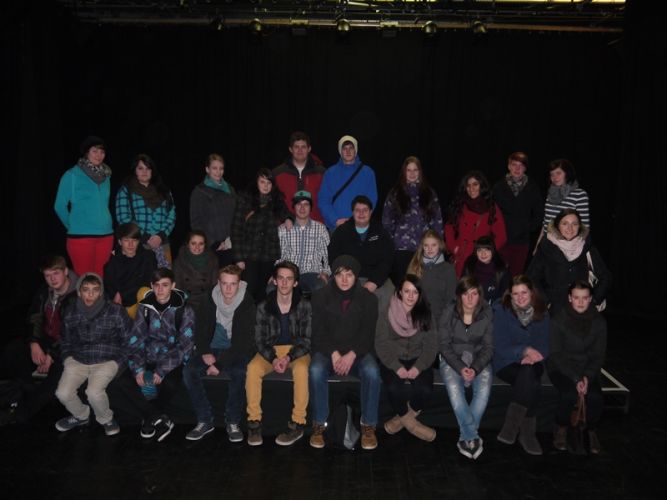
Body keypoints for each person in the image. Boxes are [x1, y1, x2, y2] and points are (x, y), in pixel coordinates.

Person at [308, 255, 380, 450]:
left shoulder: (369, 299)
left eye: (349, 275)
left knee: (372, 372)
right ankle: (318, 424)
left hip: (358, 352)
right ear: (333, 276)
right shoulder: (320, 296)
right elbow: (318, 332)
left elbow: (368, 334)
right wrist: (334, 353)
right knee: (315, 370)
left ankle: (368, 426)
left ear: (356, 276)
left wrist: (352, 354)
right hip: (328, 351)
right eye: (340, 275)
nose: (345, 279)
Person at [114, 268, 195, 442]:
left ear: (173, 285)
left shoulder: (185, 310)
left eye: (165, 285)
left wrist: (161, 370)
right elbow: (136, 340)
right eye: (156, 285)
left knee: (171, 383)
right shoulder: (144, 308)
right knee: (122, 380)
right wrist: (138, 369)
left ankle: (149, 417)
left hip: (172, 357)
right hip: (148, 354)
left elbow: (185, 346)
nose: (160, 290)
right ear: (151, 286)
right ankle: (157, 417)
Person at [0, 255, 78, 426]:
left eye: (56, 273)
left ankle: (22, 413)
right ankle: (29, 390)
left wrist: (52, 354)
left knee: (58, 375)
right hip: (47, 341)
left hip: (69, 347)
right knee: (13, 350)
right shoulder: (44, 292)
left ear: (65, 271)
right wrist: (34, 343)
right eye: (47, 275)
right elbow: (35, 317)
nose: (52, 279)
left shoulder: (78, 294)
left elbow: (72, 332)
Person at [182, 264, 256, 442]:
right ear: (218, 283)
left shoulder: (247, 302)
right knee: (189, 371)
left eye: (233, 284)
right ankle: (204, 420)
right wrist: (204, 351)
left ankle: (233, 421)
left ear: (239, 284)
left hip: (236, 350)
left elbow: (242, 343)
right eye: (224, 284)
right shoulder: (209, 298)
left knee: (239, 372)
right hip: (212, 346)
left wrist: (219, 364)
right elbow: (199, 329)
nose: (228, 288)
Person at [54, 273, 131, 436]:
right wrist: (67, 358)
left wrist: (119, 363)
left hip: (107, 359)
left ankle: (106, 419)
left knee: (93, 393)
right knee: (62, 393)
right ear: (79, 292)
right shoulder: (71, 312)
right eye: (86, 290)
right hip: (78, 359)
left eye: (95, 290)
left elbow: (130, 340)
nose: (90, 294)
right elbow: (65, 340)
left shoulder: (116, 311)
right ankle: (81, 415)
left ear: (101, 292)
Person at [245, 261, 311, 447]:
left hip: (296, 351)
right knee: (252, 368)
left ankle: (298, 423)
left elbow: (306, 340)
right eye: (280, 278)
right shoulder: (263, 306)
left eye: (289, 279)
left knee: (301, 370)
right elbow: (259, 340)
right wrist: (274, 359)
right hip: (271, 351)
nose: (284, 283)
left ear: (295, 283)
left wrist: (288, 357)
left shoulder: (304, 305)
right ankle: (254, 422)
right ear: (274, 281)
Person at [375, 275, 438, 442]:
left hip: (418, 358)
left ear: (420, 294)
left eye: (415, 292)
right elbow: (381, 344)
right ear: (400, 292)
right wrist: (396, 367)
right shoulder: (386, 312)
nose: (410, 296)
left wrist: (419, 366)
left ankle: (400, 420)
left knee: (425, 390)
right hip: (393, 358)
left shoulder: (426, 313)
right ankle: (413, 425)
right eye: (407, 291)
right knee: (394, 388)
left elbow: (432, 346)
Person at [548, 280, 606, 455]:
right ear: (569, 298)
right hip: (562, 368)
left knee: (595, 397)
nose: (580, 302)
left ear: (590, 299)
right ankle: (561, 427)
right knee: (568, 394)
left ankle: (591, 430)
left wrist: (587, 376)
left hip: (587, 369)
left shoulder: (599, 322)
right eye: (576, 297)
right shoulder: (558, 319)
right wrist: (575, 378)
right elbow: (556, 354)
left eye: (585, 298)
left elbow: (598, 355)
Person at [438, 276, 494, 459]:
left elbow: (488, 348)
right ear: (459, 295)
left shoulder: (487, 313)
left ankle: (466, 436)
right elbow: (444, 346)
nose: (470, 298)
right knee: (455, 389)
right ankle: (472, 436)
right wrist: (461, 367)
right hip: (452, 359)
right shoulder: (448, 312)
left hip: (479, 360)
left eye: (474, 294)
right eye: (465, 294)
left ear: (480, 296)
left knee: (484, 390)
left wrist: (475, 368)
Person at [493, 275, 549, 455]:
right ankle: (527, 435)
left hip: (534, 361)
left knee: (529, 372)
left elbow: (545, 344)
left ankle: (511, 427)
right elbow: (499, 346)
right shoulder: (501, 311)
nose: (520, 297)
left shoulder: (542, 312)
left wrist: (533, 356)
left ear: (532, 292)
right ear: (510, 295)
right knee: (533, 382)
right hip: (506, 362)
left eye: (524, 292)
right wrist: (524, 350)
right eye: (515, 293)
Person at [527, 208, 611, 314]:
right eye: (565, 223)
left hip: (582, 313)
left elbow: (606, 277)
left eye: (574, 224)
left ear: (579, 226)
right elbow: (532, 277)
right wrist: (546, 301)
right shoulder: (546, 247)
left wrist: (593, 300)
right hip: (555, 312)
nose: (570, 228)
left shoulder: (587, 247)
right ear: (557, 226)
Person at [54, 135, 113, 277]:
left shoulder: (106, 177)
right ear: (86, 153)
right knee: (85, 281)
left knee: (101, 279)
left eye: (102, 152)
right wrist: (73, 225)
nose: (99, 155)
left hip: (106, 236)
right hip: (81, 237)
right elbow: (59, 206)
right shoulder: (72, 175)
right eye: (95, 151)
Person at [231, 168, 292, 303]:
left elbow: (285, 212)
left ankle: (262, 316)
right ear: (256, 183)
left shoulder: (276, 200)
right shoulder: (245, 199)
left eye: (269, 183)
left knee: (264, 292)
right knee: (249, 290)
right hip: (249, 254)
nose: (265, 186)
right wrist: (239, 258)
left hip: (269, 254)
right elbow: (236, 229)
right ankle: (247, 316)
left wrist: (288, 218)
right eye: (262, 182)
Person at [382, 156, 444, 286]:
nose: (412, 173)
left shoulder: (429, 193)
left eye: (415, 170)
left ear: (420, 172)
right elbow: (387, 223)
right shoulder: (395, 193)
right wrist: (390, 246)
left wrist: (438, 246)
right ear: (404, 172)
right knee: (403, 286)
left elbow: (437, 222)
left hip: (424, 249)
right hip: (401, 250)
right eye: (408, 170)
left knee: (423, 287)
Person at [328, 195, 394, 307]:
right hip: (346, 277)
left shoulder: (381, 232)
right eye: (357, 210)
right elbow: (332, 256)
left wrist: (374, 282)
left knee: (389, 292)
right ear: (352, 212)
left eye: (365, 210)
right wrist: (345, 278)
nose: (361, 213)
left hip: (373, 278)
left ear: (371, 212)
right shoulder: (341, 231)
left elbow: (387, 260)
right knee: (330, 293)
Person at [115, 154, 176, 268]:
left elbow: (171, 215)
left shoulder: (164, 190)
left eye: (148, 168)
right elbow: (123, 218)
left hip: (162, 242)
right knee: (140, 277)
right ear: (135, 170)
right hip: (138, 243)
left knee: (164, 276)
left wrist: (160, 235)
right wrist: (146, 237)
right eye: (140, 168)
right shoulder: (126, 190)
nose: (144, 171)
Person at [445, 170, 507, 278]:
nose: (471, 188)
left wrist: (486, 252)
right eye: (468, 186)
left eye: (475, 184)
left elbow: (501, 237)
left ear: (481, 186)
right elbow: (448, 227)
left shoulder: (491, 208)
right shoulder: (460, 205)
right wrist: (453, 247)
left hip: (479, 261)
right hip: (461, 258)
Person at [492, 152, 543, 276]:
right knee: (500, 275)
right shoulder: (498, 187)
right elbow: (492, 212)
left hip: (522, 241)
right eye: (514, 165)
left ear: (525, 168)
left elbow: (539, 213)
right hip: (501, 240)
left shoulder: (532, 187)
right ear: (508, 166)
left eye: (521, 166)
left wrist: (528, 228)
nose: (517, 168)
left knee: (517, 275)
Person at [173, 230, 219, 363]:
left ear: (205, 245)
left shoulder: (213, 259)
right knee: (185, 311)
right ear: (187, 244)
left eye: (201, 244)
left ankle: (202, 348)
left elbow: (214, 284)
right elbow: (178, 286)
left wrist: (208, 298)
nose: (197, 247)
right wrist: (186, 298)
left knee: (208, 310)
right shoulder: (179, 260)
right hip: (187, 297)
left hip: (206, 296)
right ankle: (185, 348)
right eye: (193, 243)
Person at [318, 135, 378, 232]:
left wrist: (359, 219)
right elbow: (323, 200)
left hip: (361, 227)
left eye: (351, 148)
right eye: (344, 148)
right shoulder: (330, 173)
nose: (348, 151)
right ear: (340, 151)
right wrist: (335, 220)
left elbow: (371, 200)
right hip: (337, 227)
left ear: (356, 150)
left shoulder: (368, 173)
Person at [276, 190, 331, 294]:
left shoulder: (321, 229)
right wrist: (275, 273)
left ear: (311, 207)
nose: (302, 208)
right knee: (271, 289)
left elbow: (327, 255)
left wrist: (326, 272)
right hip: (288, 273)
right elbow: (279, 256)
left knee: (320, 286)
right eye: (298, 204)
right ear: (294, 207)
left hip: (312, 273)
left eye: (306, 204)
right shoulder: (283, 229)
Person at [189, 153, 237, 267]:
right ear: (207, 169)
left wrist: (231, 240)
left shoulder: (230, 189)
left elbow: (236, 217)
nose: (218, 172)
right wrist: (212, 243)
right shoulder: (199, 191)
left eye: (221, 168)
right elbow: (196, 222)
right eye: (214, 168)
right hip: (211, 247)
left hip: (230, 245)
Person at [103, 222, 157, 319]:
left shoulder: (148, 257)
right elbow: (110, 290)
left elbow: (148, 283)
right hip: (121, 306)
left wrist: (122, 293)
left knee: (145, 292)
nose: (131, 244)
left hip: (141, 304)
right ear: (120, 242)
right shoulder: (112, 262)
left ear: (139, 241)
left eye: (134, 240)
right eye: (126, 240)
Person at [272, 131, 326, 223]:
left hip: (315, 226)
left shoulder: (322, 173)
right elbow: (272, 202)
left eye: (303, 147)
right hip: (286, 226)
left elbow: (327, 200)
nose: (300, 150)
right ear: (290, 149)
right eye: (296, 147)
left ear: (309, 149)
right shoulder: (277, 173)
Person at [406, 229, 456, 325]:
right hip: (418, 319)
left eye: (433, 245)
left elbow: (451, 300)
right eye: (426, 245)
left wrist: (443, 322)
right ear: (422, 247)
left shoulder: (448, 269)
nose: (430, 249)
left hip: (441, 321)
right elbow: (407, 297)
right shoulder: (415, 267)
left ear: (440, 245)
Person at [542, 158, 590, 232]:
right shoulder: (550, 194)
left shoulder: (579, 194)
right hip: (547, 238)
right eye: (552, 174)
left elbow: (584, 227)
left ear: (567, 173)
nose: (555, 177)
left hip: (566, 239)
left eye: (558, 173)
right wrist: (540, 239)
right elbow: (546, 222)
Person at [461, 235, 510, 306]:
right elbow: (462, 289)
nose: (483, 254)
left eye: (487, 250)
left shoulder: (501, 269)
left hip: (493, 308)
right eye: (479, 250)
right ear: (475, 252)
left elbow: (505, 296)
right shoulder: (470, 265)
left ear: (493, 251)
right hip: (471, 306)